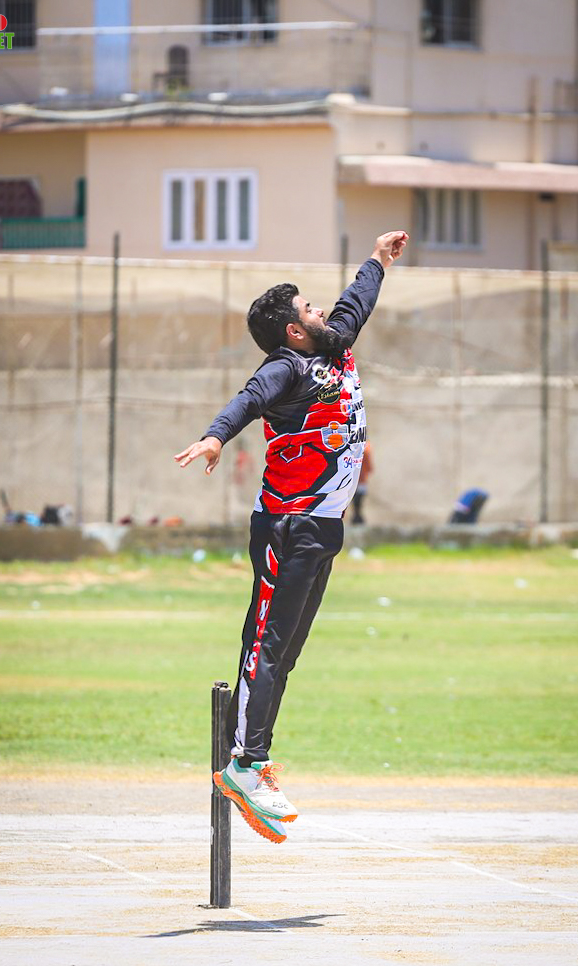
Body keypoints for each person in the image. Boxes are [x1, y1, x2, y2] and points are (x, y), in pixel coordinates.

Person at [174, 230, 408, 844]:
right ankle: (246, 764)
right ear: (294, 331)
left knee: (288, 650)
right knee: (267, 645)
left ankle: (250, 759)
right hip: (288, 525)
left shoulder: (337, 344)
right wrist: (215, 437)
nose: (322, 309)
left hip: (322, 529)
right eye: (309, 308)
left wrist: (378, 260)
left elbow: (356, 302)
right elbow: (248, 399)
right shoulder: (285, 366)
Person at [350, 438, 373, 524]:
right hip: (361, 479)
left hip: (353, 478)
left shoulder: (353, 446)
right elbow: (369, 466)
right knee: (359, 499)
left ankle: (356, 516)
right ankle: (357, 516)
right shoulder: (366, 447)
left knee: (355, 499)